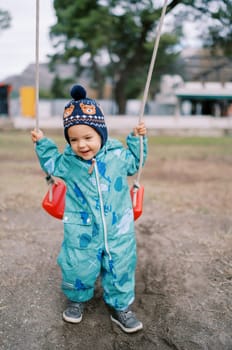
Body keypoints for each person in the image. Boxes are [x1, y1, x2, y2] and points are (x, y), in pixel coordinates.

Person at [31, 84, 148, 333]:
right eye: (73, 139)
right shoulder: (69, 163)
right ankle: (76, 299)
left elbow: (136, 162)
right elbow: (51, 163)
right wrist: (42, 143)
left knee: (121, 265)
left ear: (101, 134)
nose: (81, 145)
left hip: (118, 227)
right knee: (77, 264)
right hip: (82, 229)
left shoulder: (117, 156)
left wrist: (137, 140)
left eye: (88, 137)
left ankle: (121, 307)